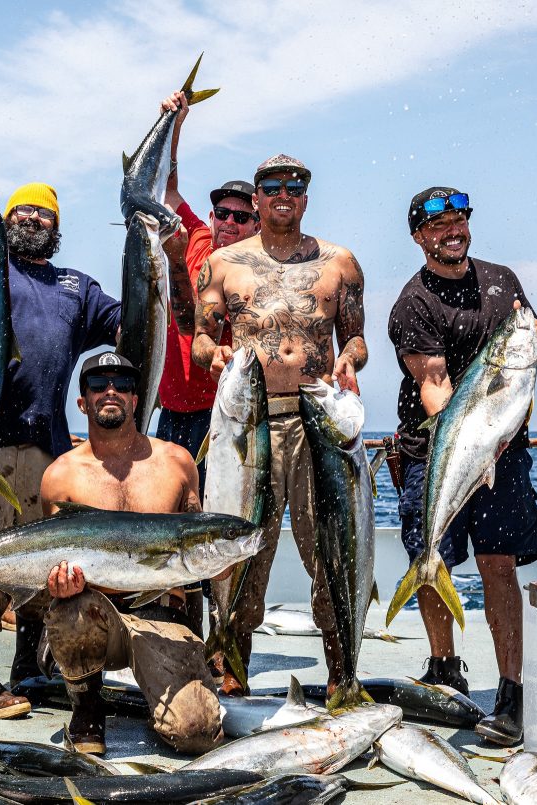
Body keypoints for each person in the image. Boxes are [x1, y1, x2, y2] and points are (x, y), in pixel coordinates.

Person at [191, 154, 368, 696]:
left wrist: (350, 361)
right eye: (272, 186)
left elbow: (357, 338)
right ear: (258, 197)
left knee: (332, 552)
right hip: (251, 426)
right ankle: (233, 673)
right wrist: (213, 355)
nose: (283, 193)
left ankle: (343, 677)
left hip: (317, 424)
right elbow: (200, 338)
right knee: (245, 552)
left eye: (295, 185)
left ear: (306, 197)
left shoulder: (341, 263)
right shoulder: (223, 264)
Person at [0, 183, 121, 719]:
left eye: (42, 214)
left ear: (56, 226)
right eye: (21, 210)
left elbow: (126, 323)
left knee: (45, 566)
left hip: (50, 447)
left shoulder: (77, 286)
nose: (29, 218)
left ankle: (28, 667)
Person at [388, 186, 537, 746]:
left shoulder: (503, 281)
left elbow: (525, 353)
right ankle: (444, 666)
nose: (452, 229)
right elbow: (435, 387)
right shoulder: (412, 304)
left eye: (459, 219)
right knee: (429, 557)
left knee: (499, 566)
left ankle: (510, 694)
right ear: (419, 237)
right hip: (437, 452)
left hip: (505, 453)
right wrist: (477, 441)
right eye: (439, 225)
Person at [41, 352, 223, 756]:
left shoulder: (178, 462)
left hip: (161, 614)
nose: (111, 391)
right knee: (71, 607)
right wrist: (60, 585)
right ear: (82, 402)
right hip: (92, 611)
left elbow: (197, 549)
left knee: (197, 732)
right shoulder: (60, 475)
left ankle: (164, 688)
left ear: (137, 400)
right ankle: (87, 707)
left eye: (123, 385)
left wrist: (207, 640)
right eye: (98, 384)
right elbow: (52, 565)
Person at [158, 90, 261, 646]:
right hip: (169, 414)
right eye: (220, 212)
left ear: (257, 223)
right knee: (173, 535)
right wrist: (175, 122)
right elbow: (169, 188)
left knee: (220, 533)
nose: (225, 222)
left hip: (224, 423)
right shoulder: (196, 239)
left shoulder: (260, 268)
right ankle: (181, 644)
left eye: (240, 217)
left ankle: (229, 646)